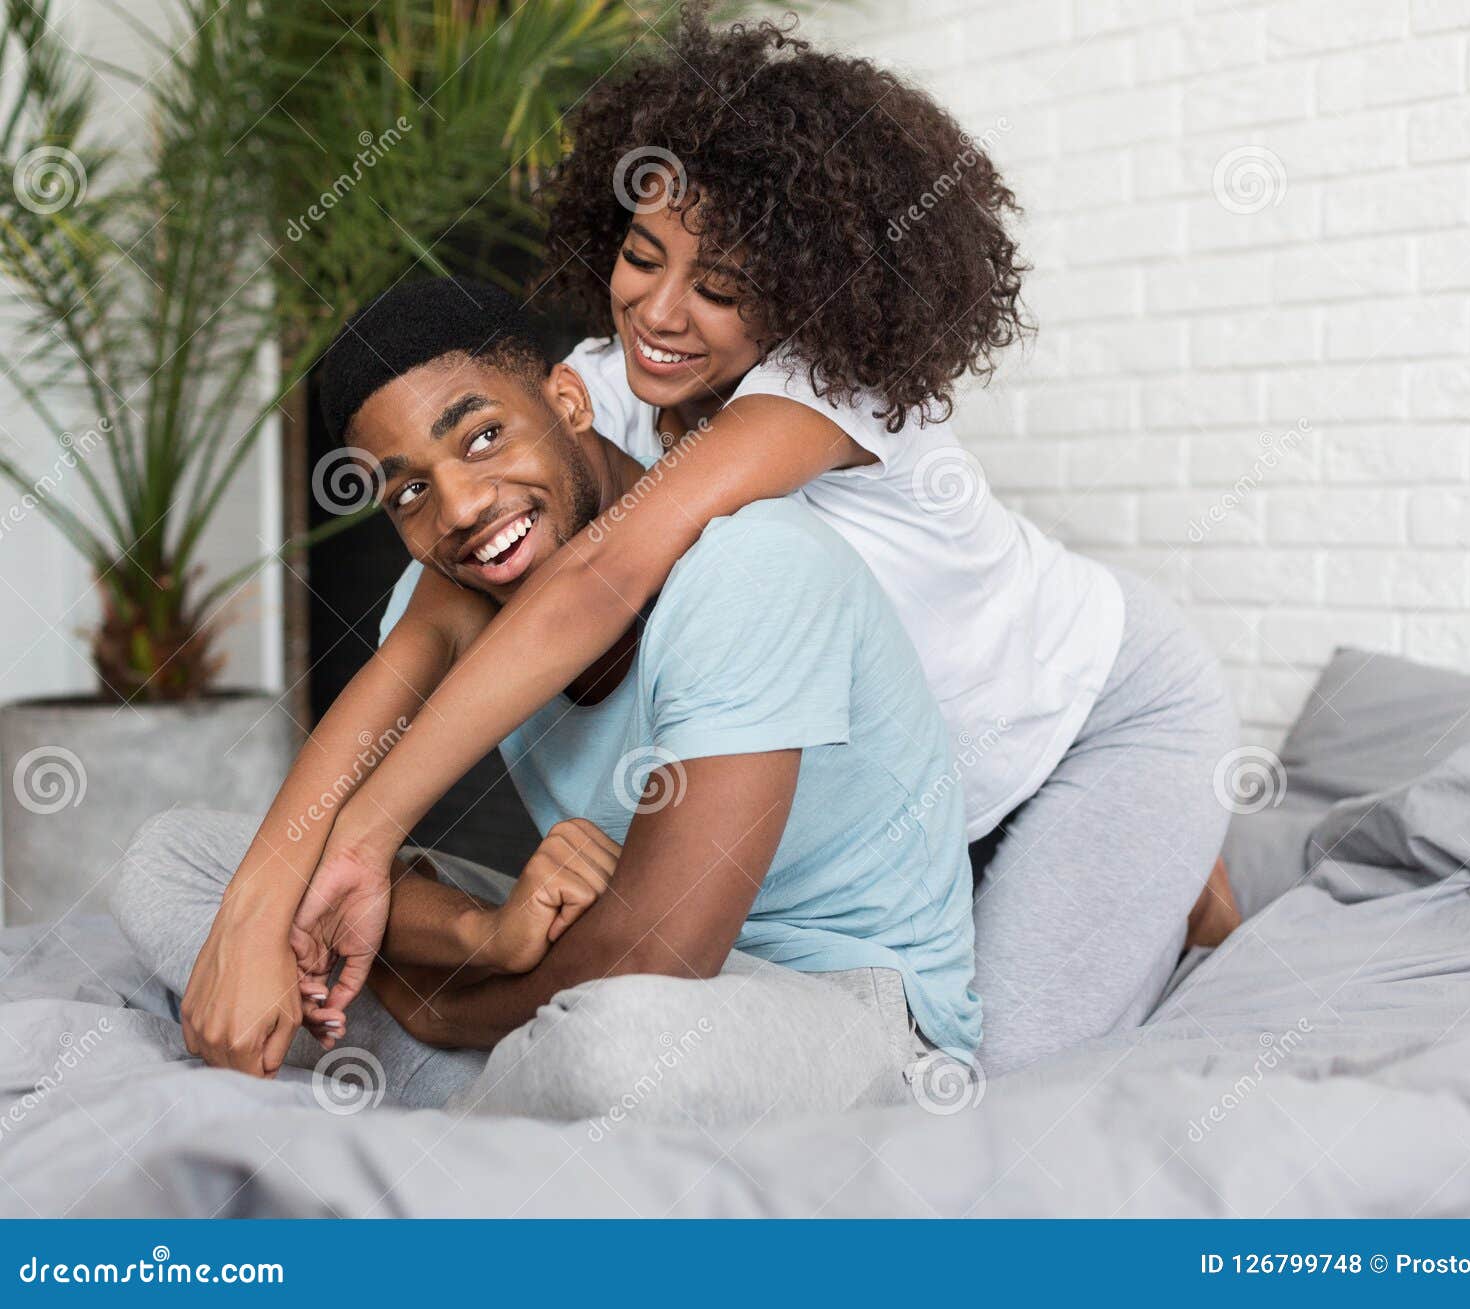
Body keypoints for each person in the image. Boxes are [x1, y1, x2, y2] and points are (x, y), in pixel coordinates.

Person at [180, 8, 1237, 1082]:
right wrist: (264, 891)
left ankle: (1175, 870)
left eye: (721, 289)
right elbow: (439, 606)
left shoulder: (826, 393)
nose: (660, 313)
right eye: (642, 257)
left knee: (1010, 1083)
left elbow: (598, 575)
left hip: (1093, 714)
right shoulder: (603, 387)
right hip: (903, 787)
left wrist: (366, 837)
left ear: (807, 293)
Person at [113, 279, 978, 1125]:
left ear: (568, 399)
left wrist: (442, 1007)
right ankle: (503, 1090)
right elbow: (337, 845)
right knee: (173, 859)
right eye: (409, 491)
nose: (460, 506)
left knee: (609, 1049)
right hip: (577, 959)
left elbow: (657, 955)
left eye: (483, 436)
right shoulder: (450, 591)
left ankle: (464, 1086)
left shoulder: (752, 566)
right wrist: (476, 937)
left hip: (837, 1011)